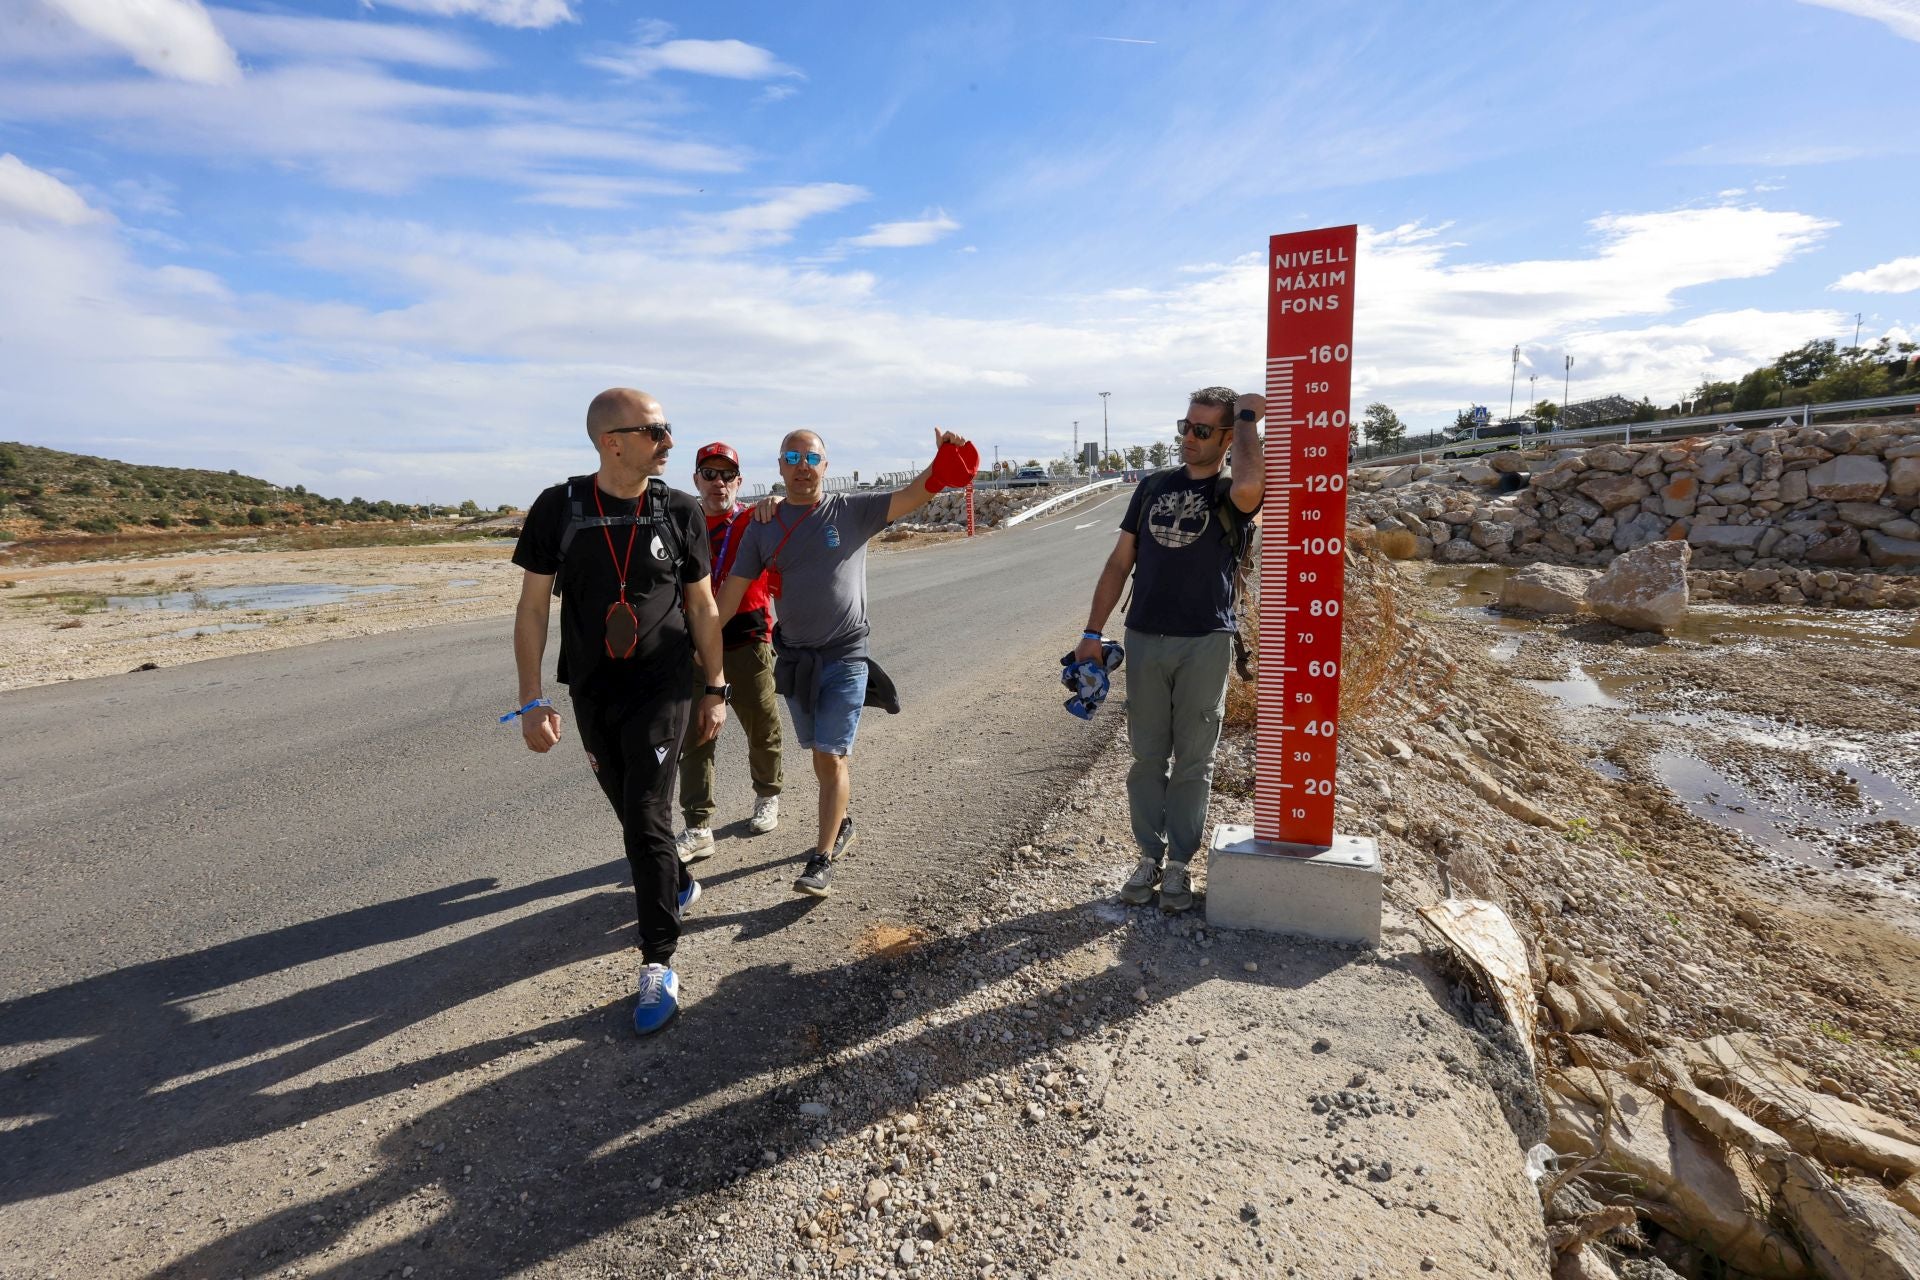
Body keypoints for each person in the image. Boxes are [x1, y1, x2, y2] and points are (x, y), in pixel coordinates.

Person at [510, 388, 730, 1035]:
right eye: (655, 431)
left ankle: (658, 961)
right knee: (629, 806)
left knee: (644, 816)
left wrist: (715, 686)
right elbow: (531, 609)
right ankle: (677, 878)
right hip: (592, 690)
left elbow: (703, 606)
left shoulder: (680, 511)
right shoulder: (558, 509)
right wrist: (532, 699)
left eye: (667, 429)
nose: (669, 442)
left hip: (665, 688)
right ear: (612, 442)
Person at [715, 428, 970, 897]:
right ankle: (842, 822)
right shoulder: (762, 525)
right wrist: (696, 645)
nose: (803, 466)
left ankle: (822, 859)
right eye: (793, 458)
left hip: (847, 655)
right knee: (820, 753)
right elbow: (730, 597)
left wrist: (942, 460)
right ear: (780, 466)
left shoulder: (851, 511)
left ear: (826, 466)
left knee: (831, 755)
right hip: (795, 660)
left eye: (812, 458)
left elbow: (914, 494)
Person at [1073, 385, 1265, 913]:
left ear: (1226, 437)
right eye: (1185, 426)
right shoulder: (1153, 486)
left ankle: (1180, 863)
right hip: (1145, 637)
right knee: (1146, 758)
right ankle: (1148, 857)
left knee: (1194, 761)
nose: (1188, 437)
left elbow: (1252, 483)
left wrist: (1249, 420)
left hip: (1206, 641)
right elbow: (1120, 562)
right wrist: (1092, 632)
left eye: (1202, 430)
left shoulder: (1230, 492)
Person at [674, 441, 783, 862]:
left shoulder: (756, 519)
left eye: (726, 475)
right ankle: (698, 825)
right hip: (696, 644)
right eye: (709, 474)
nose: (718, 483)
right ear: (696, 479)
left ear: (739, 481)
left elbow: (797, 516)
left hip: (746, 639)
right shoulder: (682, 523)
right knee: (695, 736)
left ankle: (767, 795)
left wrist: (777, 501)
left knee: (761, 725)